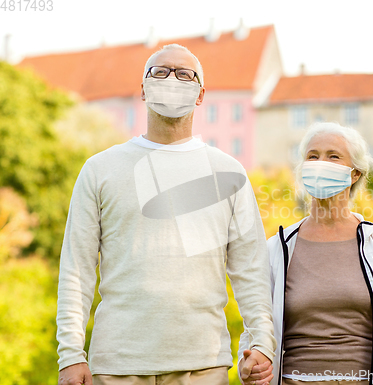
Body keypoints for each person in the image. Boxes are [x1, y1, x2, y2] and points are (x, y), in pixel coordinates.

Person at [56, 44, 276, 385]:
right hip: (117, 363)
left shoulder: (229, 172)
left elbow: (252, 268)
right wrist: (70, 355)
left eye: (184, 73)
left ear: (200, 94)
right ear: (143, 89)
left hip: (202, 364)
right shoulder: (100, 169)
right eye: (160, 72)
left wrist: (262, 342)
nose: (172, 79)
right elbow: (76, 269)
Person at [238, 122, 373, 385]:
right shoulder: (277, 249)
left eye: (333, 156)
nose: (320, 163)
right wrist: (247, 367)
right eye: (312, 156)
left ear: (355, 173)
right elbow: (254, 328)